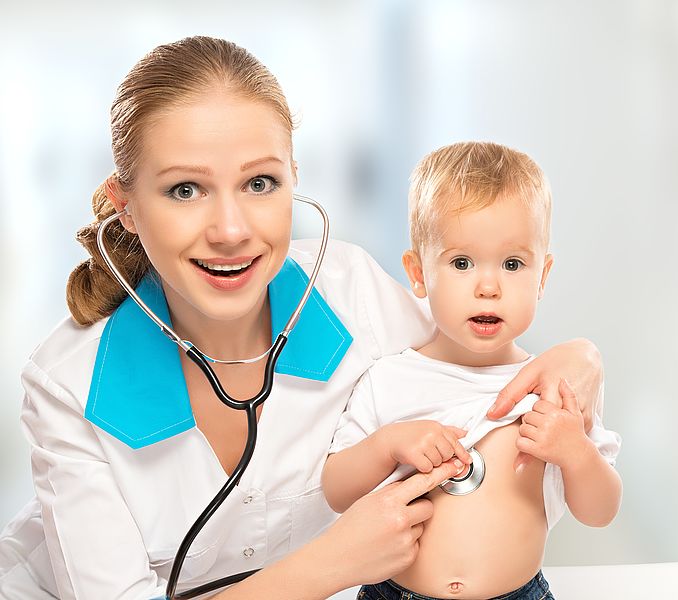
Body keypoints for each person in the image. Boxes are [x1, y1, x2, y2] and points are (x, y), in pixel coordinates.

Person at [0, 38, 605, 600]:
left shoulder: (352, 295)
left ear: (294, 180)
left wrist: (580, 359)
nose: (231, 230)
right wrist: (330, 565)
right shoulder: (68, 386)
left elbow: (478, 337)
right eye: (186, 189)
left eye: (260, 182)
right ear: (124, 207)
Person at [322, 142, 623, 600]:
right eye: (462, 263)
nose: (488, 286)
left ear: (542, 276)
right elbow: (336, 492)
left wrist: (575, 452)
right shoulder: (389, 379)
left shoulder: (555, 389)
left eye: (513, 264)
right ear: (418, 273)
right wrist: (388, 446)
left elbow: (601, 512)